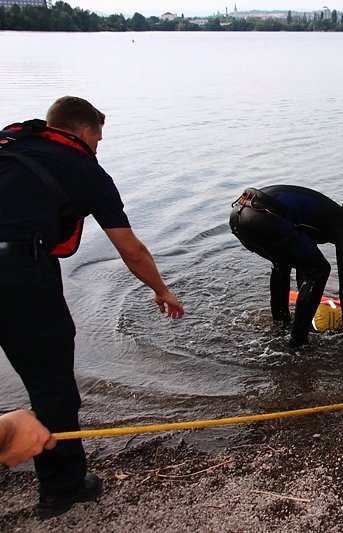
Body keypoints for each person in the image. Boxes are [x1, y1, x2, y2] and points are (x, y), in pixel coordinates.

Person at [0, 96, 184, 519]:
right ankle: (61, 488)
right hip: (19, 272)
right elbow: (131, 250)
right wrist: (161, 290)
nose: (98, 146)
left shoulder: (10, 143)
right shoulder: (85, 169)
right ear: (85, 132)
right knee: (51, 385)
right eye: (99, 139)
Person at [229, 185, 343, 346]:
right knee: (320, 270)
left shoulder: (323, 218)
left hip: (239, 215)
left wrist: (307, 301)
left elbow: (303, 264)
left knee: (283, 263)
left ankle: (280, 325)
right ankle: (298, 343)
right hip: (264, 215)